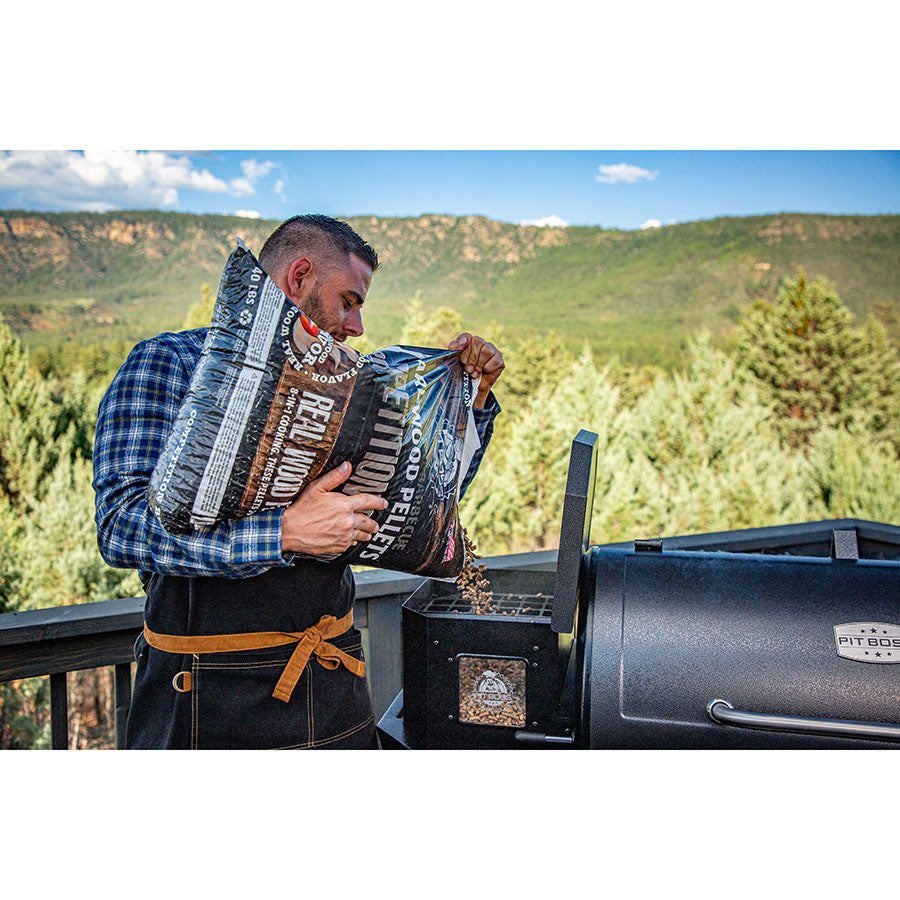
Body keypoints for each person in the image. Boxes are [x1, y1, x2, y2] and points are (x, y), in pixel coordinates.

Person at [92, 214, 504, 749]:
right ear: (300, 276)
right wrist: (283, 533)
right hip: (205, 698)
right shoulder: (166, 362)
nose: (357, 327)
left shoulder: (356, 387)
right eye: (349, 301)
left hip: (334, 689)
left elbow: (419, 510)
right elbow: (121, 528)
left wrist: (468, 401)